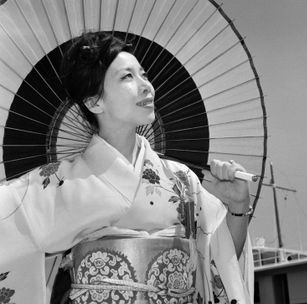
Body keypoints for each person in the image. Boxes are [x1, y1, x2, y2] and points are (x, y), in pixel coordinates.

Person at [0, 31, 254, 304]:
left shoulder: (182, 181)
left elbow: (219, 261)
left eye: (143, 74)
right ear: (94, 102)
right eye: (127, 77)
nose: (146, 86)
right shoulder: (57, 184)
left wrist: (238, 206)